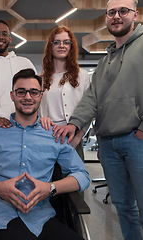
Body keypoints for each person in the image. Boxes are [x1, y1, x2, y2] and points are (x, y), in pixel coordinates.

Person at [53, 0, 143, 239]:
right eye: (111, 12)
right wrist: (75, 123)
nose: (117, 16)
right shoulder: (104, 62)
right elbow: (91, 99)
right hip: (110, 144)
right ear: (106, 18)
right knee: (124, 210)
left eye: (123, 11)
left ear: (136, 14)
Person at [0, 69, 90, 240]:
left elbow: (83, 176)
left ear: (41, 96)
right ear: (12, 96)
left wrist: (50, 188)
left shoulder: (53, 135)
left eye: (33, 92)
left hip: (42, 218)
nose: (28, 97)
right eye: (21, 92)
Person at [40, 26, 91, 161]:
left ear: (71, 46)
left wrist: (78, 137)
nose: (61, 45)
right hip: (46, 136)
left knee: (72, 180)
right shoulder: (42, 78)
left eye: (66, 42)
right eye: (56, 42)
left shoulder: (82, 75)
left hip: (72, 137)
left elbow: (89, 109)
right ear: (50, 46)